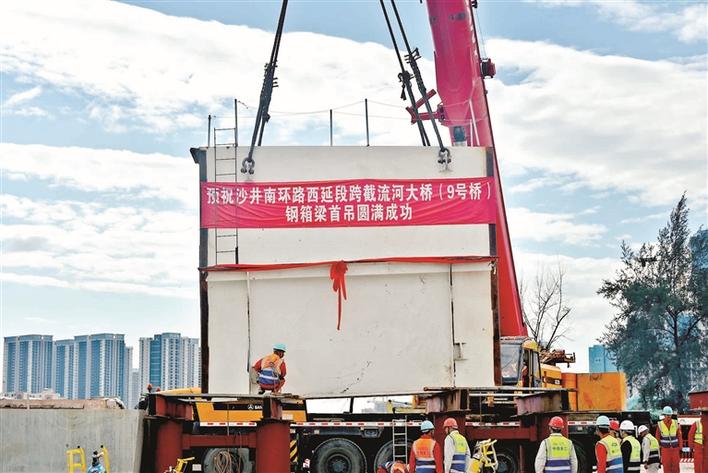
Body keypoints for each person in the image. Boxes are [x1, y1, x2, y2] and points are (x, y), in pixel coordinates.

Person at [655, 406, 682, 473]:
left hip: (675, 449)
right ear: (664, 415)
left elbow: (679, 436)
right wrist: (659, 447)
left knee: (676, 467)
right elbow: (657, 437)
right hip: (665, 450)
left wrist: (680, 448)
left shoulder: (676, 423)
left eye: (670, 415)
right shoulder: (660, 424)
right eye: (667, 415)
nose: (669, 416)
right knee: (666, 467)